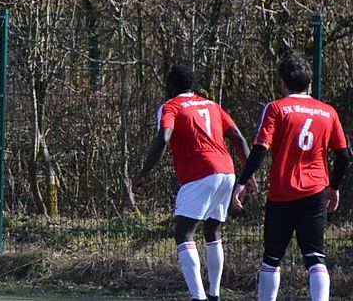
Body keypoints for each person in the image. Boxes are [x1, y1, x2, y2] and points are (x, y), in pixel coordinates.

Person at [232, 52, 350, 301]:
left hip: (282, 192)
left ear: (282, 82)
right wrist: (334, 187)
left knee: (272, 258)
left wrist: (242, 181)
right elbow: (343, 156)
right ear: (309, 83)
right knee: (316, 257)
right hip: (315, 191)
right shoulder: (328, 112)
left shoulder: (276, 108)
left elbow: (260, 148)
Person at [133, 65, 252, 301]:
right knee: (212, 230)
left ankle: (199, 297)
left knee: (184, 233)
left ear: (171, 86)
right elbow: (238, 137)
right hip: (227, 171)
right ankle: (214, 294)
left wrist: (144, 173)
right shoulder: (211, 105)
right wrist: (249, 176)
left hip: (200, 173)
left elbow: (164, 137)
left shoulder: (171, 106)